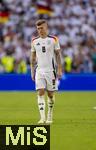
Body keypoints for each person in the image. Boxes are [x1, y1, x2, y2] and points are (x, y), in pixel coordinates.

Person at [30, 19, 62, 124]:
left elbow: (58, 55)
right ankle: (42, 118)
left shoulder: (53, 39)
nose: (40, 30)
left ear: (46, 27)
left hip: (51, 71)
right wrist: (32, 71)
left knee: (51, 95)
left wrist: (60, 69)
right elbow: (32, 57)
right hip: (39, 70)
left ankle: (50, 113)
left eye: (41, 28)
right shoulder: (34, 41)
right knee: (40, 92)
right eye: (38, 28)